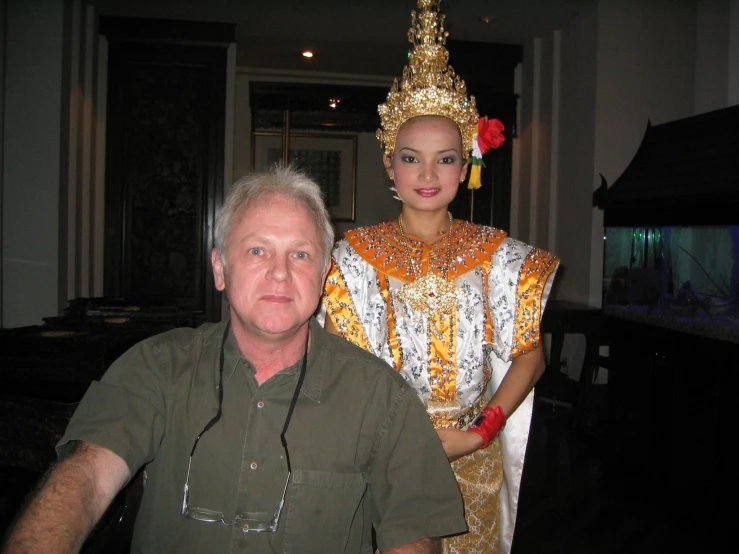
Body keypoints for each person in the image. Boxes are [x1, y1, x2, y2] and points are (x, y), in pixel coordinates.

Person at [1, 165, 469, 554]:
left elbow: (414, 532)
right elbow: (85, 477)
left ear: (325, 274)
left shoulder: (380, 396)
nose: (281, 273)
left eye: (301, 254)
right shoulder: (157, 367)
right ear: (220, 268)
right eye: (257, 250)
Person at [321, 2, 560, 553]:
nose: (428, 175)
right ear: (389, 162)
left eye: (445, 159)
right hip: (380, 458)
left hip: (474, 454)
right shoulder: (348, 260)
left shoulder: (502, 257)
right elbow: (337, 367)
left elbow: (530, 354)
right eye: (411, 158)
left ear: (467, 163)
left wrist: (479, 432)